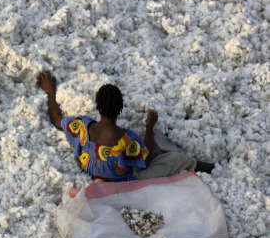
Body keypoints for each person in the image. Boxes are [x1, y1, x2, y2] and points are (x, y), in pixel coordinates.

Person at [36, 71, 214, 182]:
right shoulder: (127, 139)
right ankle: (209, 167)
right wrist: (150, 128)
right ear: (120, 108)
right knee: (175, 159)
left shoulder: (81, 127)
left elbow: (57, 119)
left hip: (92, 174)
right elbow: (144, 162)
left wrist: (51, 93)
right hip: (124, 179)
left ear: (97, 106)